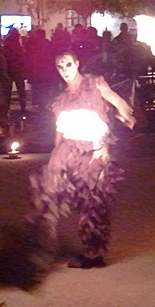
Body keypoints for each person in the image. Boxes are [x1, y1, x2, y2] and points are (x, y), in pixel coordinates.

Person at [28, 50, 135, 269]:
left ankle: (93, 254)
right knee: (47, 194)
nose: (64, 71)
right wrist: (55, 156)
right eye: (60, 66)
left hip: (94, 150)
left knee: (92, 201)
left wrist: (125, 114)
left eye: (67, 64)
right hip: (67, 149)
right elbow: (59, 130)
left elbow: (119, 102)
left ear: (76, 63)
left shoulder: (95, 84)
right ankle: (41, 247)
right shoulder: (61, 99)